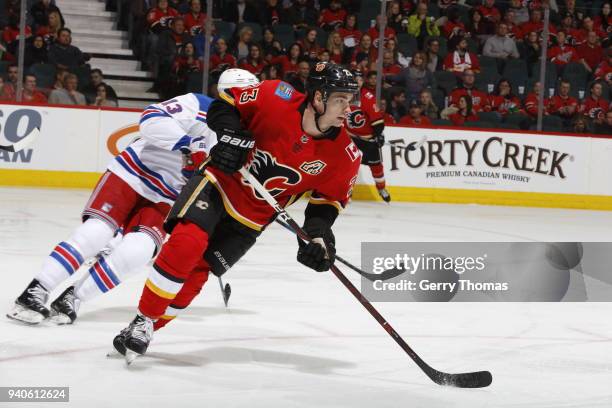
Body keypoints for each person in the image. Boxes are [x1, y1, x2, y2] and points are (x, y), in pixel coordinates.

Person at [112, 62, 361, 360]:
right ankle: (144, 318)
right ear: (318, 97)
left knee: (198, 275)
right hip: (219, 184)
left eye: (350, 100)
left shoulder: (346, 155)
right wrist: (231, 134)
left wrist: (319, 237)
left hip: (252, 219)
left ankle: (145, 326)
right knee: (187, 242)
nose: (348, 109)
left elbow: (326, 203)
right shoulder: (275, 95)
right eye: (340, 100)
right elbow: (224, 105)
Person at [6, 69, 259, 326]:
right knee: (97, 232)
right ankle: (35, 291)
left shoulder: (247, 137)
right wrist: (187, 143)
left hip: (169, 196)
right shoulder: (199, 105)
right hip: (133, 172)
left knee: (138, 251)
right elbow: (150, 118)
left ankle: (73, 297)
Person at [345, 70, 390, 202]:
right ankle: (347, 191)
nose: (357, 82)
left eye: (359, 80)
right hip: (349, 137)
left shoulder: (368, 97)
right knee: (347, 163)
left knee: (376, 165)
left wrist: (378, 135)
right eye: (354, 79)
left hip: (368, 138)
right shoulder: (342, 95)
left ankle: (381, 188)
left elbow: (377, 120)